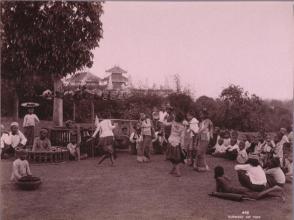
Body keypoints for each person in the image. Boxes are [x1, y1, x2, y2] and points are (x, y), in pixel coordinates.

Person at [214, 166, 285, 201]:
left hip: (236, 190)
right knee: (256, 193)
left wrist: (218, 192)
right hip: (237, 189)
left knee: (255, 196)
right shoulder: (224, 177)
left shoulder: (218, 179)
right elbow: (230, 180)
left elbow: (217, 190)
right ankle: (276, 193)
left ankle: (273, 189)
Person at [165, 111, 186, 177]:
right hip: (177, 142)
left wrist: (165, 118)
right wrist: (182, 146)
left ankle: (178, 172)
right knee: (175, 157)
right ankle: (174, 170)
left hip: (171, 141)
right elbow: (182, 137)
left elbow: (166, 124)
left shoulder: (173, 122)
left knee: (173, 157)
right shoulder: (183, 127)